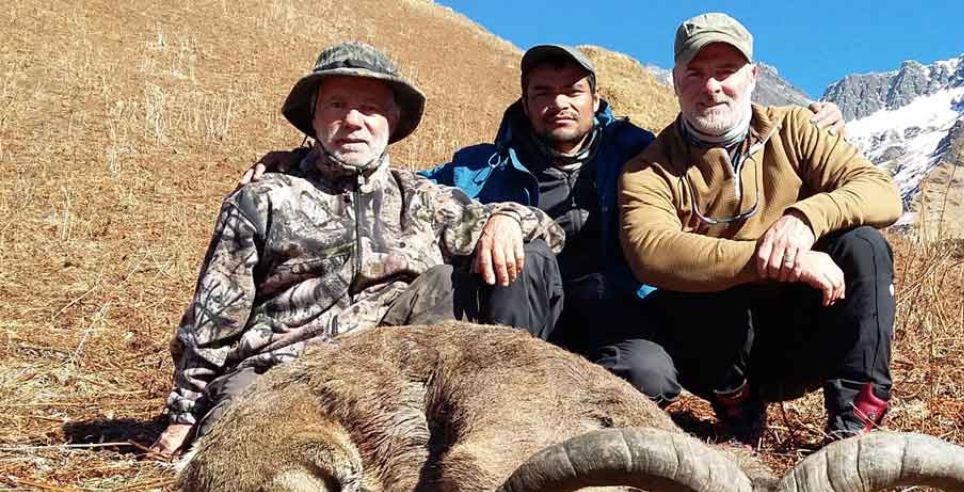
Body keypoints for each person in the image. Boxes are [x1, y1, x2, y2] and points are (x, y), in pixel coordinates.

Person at [241, 44, 848, 407]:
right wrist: (300, 160)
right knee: (525, 257)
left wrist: (805, 123)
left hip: (614, 309)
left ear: (594, 98)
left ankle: (573, 424)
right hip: (519, 313)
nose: (558, 102)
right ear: (526, 102)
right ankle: (502, 409)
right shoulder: (479, 166)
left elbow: (713, 137)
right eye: (542, 91)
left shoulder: (639, 150)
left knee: (649, 377)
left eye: (571, 90)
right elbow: (392, 181)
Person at [149, 41, 563, 459]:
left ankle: (501, 429)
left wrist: (509, 218)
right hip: (279, 374)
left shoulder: (422, 198)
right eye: (337, 105)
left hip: (388, 379)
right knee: (245, 462)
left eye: (370, 108)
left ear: (391, 121)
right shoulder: (263, 198)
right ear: (313, 117)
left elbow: (550, 232)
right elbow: (215, 313)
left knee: (451, 279)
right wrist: (185, 411)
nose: (352, 120)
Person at [618, 13, 903, 444]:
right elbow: (651, 252)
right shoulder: (649, 169)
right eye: (695, 73)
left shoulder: (798, 129)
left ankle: (855, 424)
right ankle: (738, 409)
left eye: (725, 71)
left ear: (752, 76)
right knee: (690, 274)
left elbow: (882, 193)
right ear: (676, 81)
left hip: (804, 332)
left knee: (863, 245)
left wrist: (804, 219)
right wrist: (774, 259)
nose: (711, 86)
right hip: (714, 353)